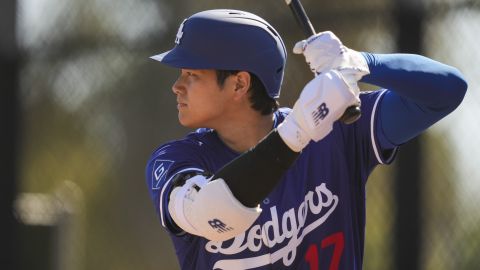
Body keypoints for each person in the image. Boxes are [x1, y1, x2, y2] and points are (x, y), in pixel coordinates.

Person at [145, 9, 467, 270]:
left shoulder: (338, 128)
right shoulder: (177, 159)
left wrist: (361, 63)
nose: (178, 86)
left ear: (239, 84)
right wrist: (297, 131)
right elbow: (211, 210)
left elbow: (448, 91)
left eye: (192, 75)